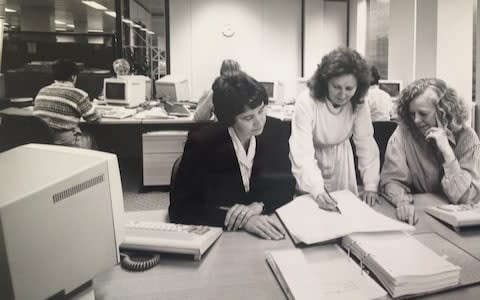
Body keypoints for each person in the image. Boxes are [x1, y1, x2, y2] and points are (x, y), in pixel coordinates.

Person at [169, 72, 295, 240]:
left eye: (261, 111)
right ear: (229, 119)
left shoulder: (275, 130)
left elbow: (286, 185)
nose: (259, 122)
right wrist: (243, 220)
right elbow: (180, 209)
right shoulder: (202, 143)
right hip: (221, 234)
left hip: (265, 226)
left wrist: (259, 206)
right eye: (248, 117)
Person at [289, 47, 380, 210]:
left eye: (349, 88)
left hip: (341, 158)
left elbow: (366, 143)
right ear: (325, 82)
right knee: (312, 209)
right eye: (336, 87)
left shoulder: (359, 101)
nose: (343, 94)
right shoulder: (306, 101)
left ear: (358, 87)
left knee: (344, 208)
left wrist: (371, 185)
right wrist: (316, 189)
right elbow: (302, 151)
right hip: (311, 157)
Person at [380, 78, 480, 224]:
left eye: (423, 113)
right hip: (420, 214)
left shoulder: (467, 138)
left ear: (443, 112)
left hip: (458, 220)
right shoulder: (403, 133)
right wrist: (402, 202)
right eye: (412, 114)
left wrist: (447, 152)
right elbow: (391, 180)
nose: (416, 120)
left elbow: (469, 198)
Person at [33, 58, 100, 148]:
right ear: (73, 77)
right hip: (64, 141)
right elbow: (94, 119)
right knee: (93, 138)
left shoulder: (42, 91)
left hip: (42, 141)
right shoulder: (77, 94)